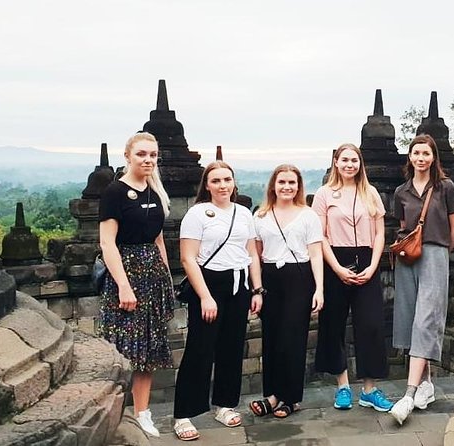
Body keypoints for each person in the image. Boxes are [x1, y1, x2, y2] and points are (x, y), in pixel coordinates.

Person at [173, 161, 263, 441]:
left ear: (234, 183)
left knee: (232, 348)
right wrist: (205, 297)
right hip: (209, 284)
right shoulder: (197, 214)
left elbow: (252, 254)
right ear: (207, 185)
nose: (223, 185)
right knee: (200, 349)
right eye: (216, 181)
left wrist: (257, 290)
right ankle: (184, 413)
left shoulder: (244, 213)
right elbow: (188, 258)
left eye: (227, 180)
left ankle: (224, 404)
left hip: (239, 284)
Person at [98, 132, 174, 437]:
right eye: (142, 154)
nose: (148, 160)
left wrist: (166, 275)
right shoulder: (115, 192)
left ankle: (143, 412)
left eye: (153, 155)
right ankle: (113, 414)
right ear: (128, 156)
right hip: (125, 273)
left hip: (153, 274)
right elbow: (107, 243)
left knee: (150, 349)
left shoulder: (155, 193)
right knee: (122, 348)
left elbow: (157, 239)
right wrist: (124, 287)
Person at [312, 143, 393, 412]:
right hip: (336, 260)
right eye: (344, 160)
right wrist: (336, 267)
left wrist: (373, 265)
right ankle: (343, 385)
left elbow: (380, 232)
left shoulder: (370, 193)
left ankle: (369, 388)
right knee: (334, 325)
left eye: (354, 160)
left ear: (360, 164)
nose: (349, 165)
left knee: (370, 325)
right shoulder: (325, 194)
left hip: (367, 261)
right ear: (336, 162)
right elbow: (319, 235)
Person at [389, 134, 454, 425]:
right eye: (416, 153)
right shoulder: (401, 191)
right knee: (409, 318)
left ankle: (408, 395)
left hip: (435, 254)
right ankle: (426, 385)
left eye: (426, 153)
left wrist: (439, 250)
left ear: (434, 158)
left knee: (426, 319)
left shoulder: (445, 187)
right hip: (408, 257)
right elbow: (403, 225)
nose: (421, 158)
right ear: (410, 157)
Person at [249, 164, 324, 419]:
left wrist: (319, 289)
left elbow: (316, 254)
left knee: (292, 338)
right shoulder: (260, 216)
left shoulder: (308, 215)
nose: (287, 187)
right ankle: (272, 394)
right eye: (282, 182)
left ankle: (290, 398)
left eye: (292, 183)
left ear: (299, 186)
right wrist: (257, 289)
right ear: (273, 185)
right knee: (271, 338)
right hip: (270, 277)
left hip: (299, 277)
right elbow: (255, 256)